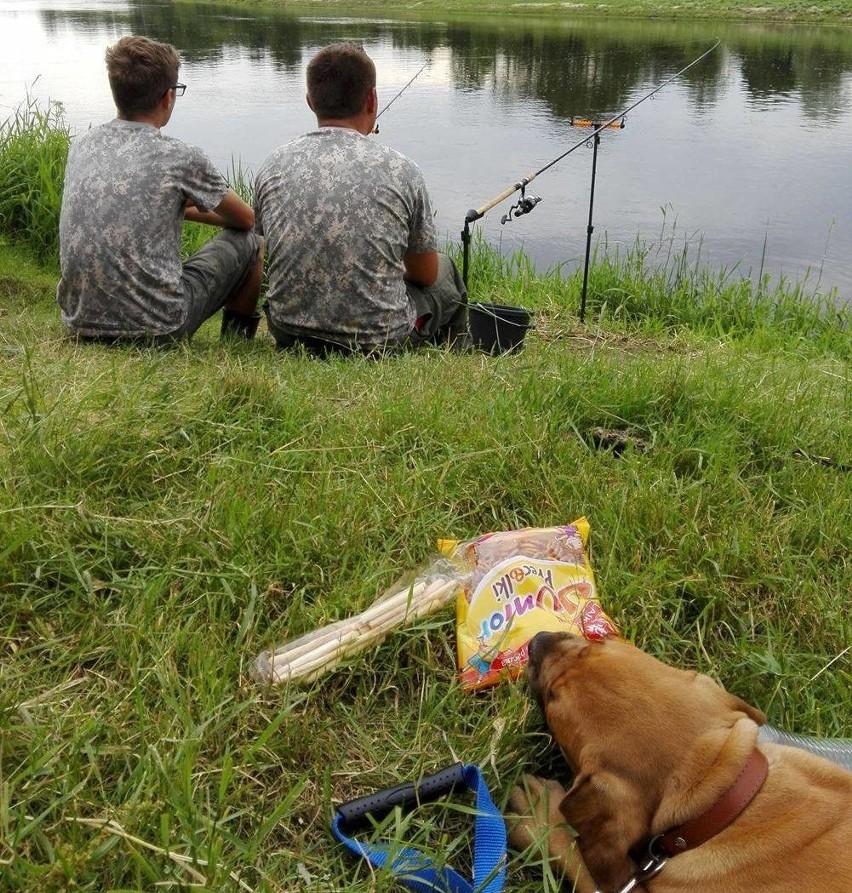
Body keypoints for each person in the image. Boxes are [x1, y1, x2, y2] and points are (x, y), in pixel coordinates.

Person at [254, 42, 468, 355]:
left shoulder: (273, 164)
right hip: (377, 339)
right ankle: (458, 351)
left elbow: (265, 245)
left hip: (287, 330)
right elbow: (426, 274)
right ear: (371, 99)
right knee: (445, 268)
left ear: (310, 102)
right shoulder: (402, 169)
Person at [57, 35, 264, 344]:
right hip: (158, 326)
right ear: (168, 97)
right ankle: (236, 341)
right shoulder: (181, 156)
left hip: (80, 321)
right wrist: (179, 205)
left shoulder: (83, 145)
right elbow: (246, 220)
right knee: (251, 242)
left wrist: (170, 205)